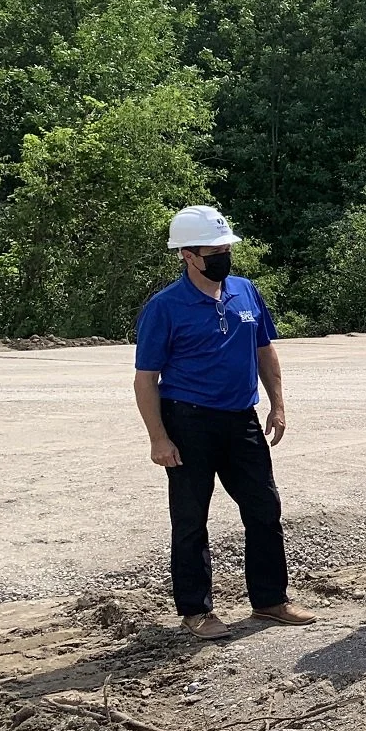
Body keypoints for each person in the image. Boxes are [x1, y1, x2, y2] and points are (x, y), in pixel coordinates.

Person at [133, 206, 315, 639]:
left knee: (264, 508)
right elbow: (145, 379)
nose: (222, 258)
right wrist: (158, 438)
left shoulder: (245, 291)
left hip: (241, 420)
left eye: (225, 250)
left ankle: (270, 600)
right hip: (188, 422)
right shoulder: (165, 307)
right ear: (187, 255)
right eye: (213, 252)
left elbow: (265, 350)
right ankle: (196, 610)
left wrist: (277, 405)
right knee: (191, 518)